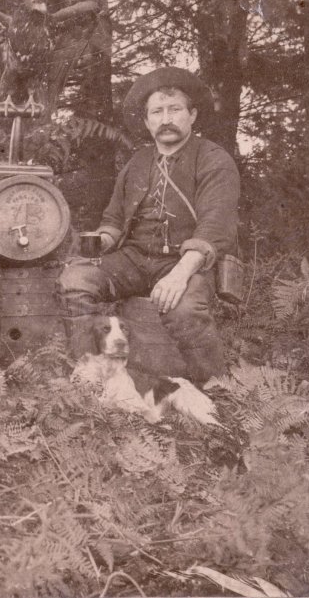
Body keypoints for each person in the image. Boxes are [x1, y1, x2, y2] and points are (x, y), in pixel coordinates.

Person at [60, 66, 237, 384]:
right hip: (134, 260)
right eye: (157, 111)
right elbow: (113, 220)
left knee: (184, 310)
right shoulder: (137, 163)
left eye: (175, 109)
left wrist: (179, 275)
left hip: (187, 263)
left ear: (192, 115)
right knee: (76, 280)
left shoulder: (214, 160)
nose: (166, 118)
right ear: (146, 121)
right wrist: (99, 242)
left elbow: (214, 229)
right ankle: (88, 373)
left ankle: (213, 387)